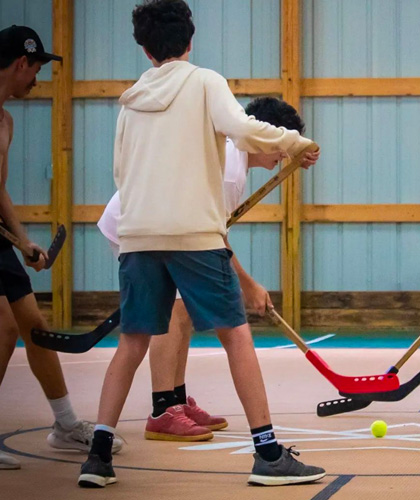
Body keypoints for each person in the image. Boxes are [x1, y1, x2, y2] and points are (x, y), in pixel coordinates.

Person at [78, 1, 325, 488]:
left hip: (138, 235)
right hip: (191, 235)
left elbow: (120, 172)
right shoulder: (204, 80)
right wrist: (294, 142)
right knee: (236, 335)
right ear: (189, 42)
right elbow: (240, 129)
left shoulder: (129, 100)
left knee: (132, 342)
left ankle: (99, 457)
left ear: (146, 50)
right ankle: (268, 454)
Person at [96, 97, 318, 442]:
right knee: (174, 311)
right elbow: (215, 239)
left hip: (158, 225)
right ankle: (163, 409)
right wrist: (247, 285)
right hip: (138, 226)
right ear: (262, 134)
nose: (283, 157)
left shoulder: (234, 158)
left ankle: (177, 400)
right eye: (281, 146)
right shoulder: (229, 170)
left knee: (180, 309)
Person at [0, 25, 122, 471]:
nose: (37, 79)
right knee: (9, 327)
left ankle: (65, 425)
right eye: (36, 69)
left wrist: (23, 239)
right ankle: (66, 423)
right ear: (21, 64)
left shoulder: (6, 121)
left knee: (31, 326)